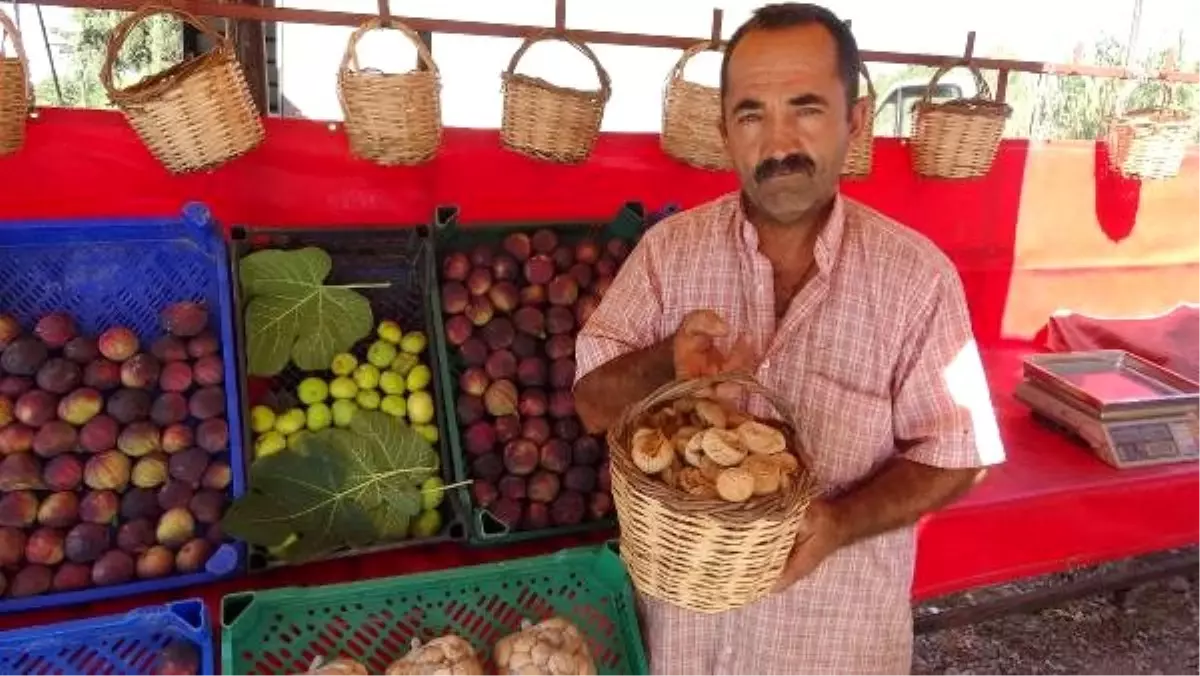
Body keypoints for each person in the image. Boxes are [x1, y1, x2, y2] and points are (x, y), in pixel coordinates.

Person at [572, 3, 1005, 674]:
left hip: (835, 649)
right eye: (752, 114)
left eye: (806, 108)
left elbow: (960, 450)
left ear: (854, 120)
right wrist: (668, 363)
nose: (778, 145)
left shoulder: (917, 279)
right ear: (724, 131)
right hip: (677, 651)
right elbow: (594, 403)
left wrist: (839, 523)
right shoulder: (668, 254)